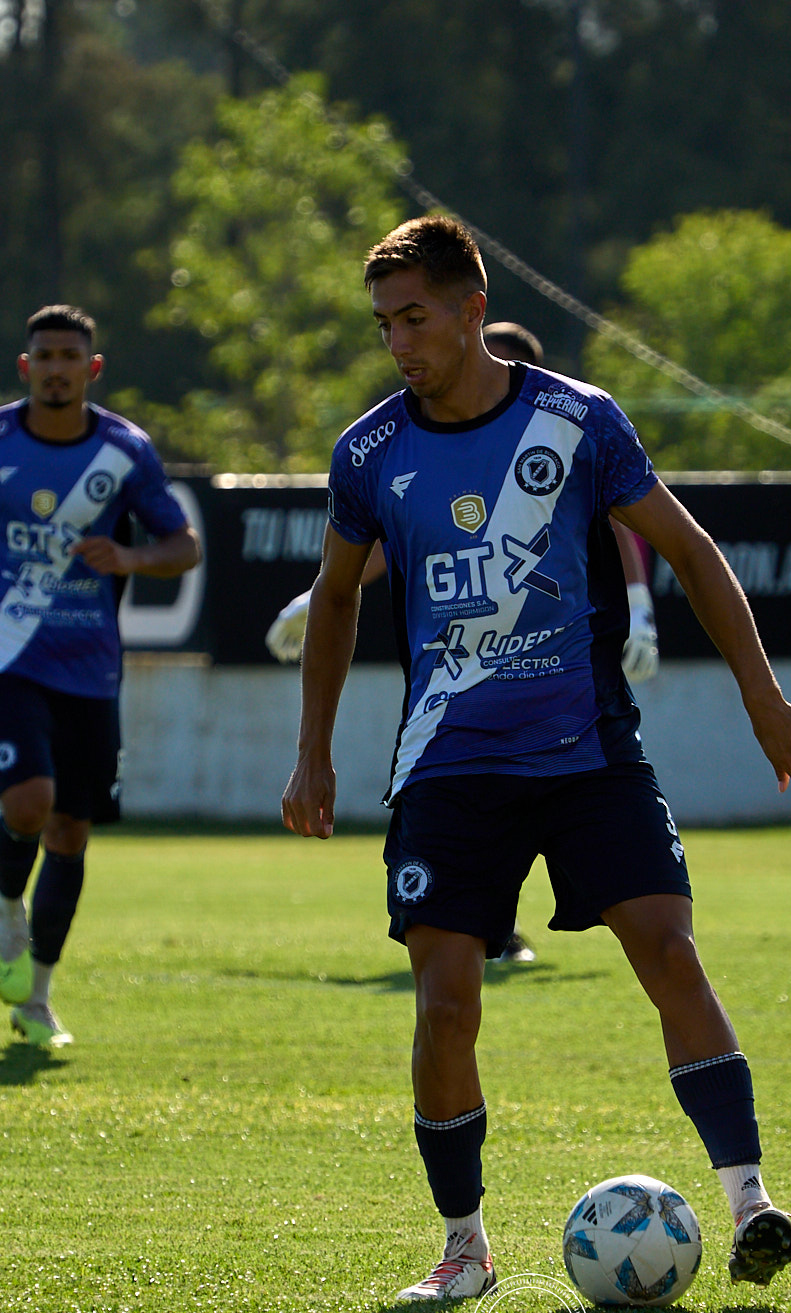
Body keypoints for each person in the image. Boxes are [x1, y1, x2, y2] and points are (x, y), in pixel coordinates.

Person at [280, 217, 791, 1301]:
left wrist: (762, 699)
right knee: (445, 1002)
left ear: (468, 309)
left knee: (668, 951)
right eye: (383, 323)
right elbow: (340, 596)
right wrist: (311, 753)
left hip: (588, 755)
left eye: (414, 318)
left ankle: (748, 1200)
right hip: (448, 770)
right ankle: (462, 1249)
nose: (398, 342)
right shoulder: (368, 453)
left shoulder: (576, 422)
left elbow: (686, 549)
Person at [264, 320, 657, 969]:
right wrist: (315, 600)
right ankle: (494, 927)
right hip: (458, 720)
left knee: (663, 940)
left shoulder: (566, 430)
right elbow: (389, 547)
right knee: (449, 972)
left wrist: (640, 609)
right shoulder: (399, 445)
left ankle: (507, 925)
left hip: (573, 719)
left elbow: (627, 524)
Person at [0, 304, 201, 1049]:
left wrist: (132, 558)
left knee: (72, 832)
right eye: (42, 355)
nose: (55, 368)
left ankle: (37, 995)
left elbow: (184, 544)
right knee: (29, 804)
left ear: (92, 369)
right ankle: (8, 899)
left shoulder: (124, 450)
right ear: (24, 366)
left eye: (69, 357)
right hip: (4, 652)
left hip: (90, 666)